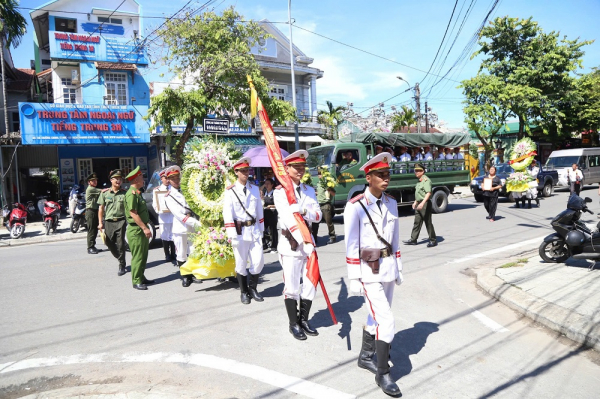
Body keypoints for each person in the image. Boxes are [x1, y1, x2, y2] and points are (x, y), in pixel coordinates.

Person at [343, 152, 403, 397]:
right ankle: (383, 372)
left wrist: (399, 269)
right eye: (381, 175)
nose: (386, 178)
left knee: (376, 317)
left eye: (387, 174)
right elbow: (351, 244)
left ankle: (365, 356)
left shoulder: (391, 202)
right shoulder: (356, 206)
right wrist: (354, 278)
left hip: (387, 268)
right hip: (368, 272)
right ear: (369, 177)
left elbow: (396, 240)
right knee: (386, 321)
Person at [274, 150, 323, 340]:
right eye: (296, 167)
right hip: (292, 244)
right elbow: (287, 218)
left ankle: (304, 320)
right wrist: (303, 240)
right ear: (287, 169)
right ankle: (293, 324)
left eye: (303, 167)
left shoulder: (309, 190)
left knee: (310, 284)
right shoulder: (281, 193)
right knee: (292, 286)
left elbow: (317, 215)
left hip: (308, 244)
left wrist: (303, 209)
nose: (300, 171)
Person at [223, 157, 265, 304]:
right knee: (241, 263)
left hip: (254, 230)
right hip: (240, 231)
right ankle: (244, 291)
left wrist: (262, 230)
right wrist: (232, 235)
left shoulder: (254, 188)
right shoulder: (230, 191)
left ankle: (252, 288)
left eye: (248, 170)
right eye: (243, 171)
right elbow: (227, 214)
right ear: (236, 172)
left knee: (258, 261)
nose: (246, 173)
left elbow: (259, 211)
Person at [163, 166, 202, 288]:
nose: (176, 180)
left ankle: (193, 273)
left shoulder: (187, 190)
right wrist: (196, 223)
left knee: (193, 250)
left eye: (177, 177)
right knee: (181, 253)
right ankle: (185, 276)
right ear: (168, 180)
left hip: (191, 226)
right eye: (172, 178)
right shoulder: (169, 196)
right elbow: (179, 215)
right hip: (180, 227)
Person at [124, 166, 154, 290]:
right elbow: (133, 213)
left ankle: (141, 277)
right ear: (136, 180)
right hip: (136, 230)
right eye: (141, 177)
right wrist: (145, 228)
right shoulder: (131, 194)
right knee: (138, 256)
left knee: (143, 255)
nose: (143, 179)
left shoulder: (137, 193)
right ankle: (136, 280)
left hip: (140, 229)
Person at [98, 169, 128, 276]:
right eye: (116, 179)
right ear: (111, 180)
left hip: (121, 221)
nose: (118, 181)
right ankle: (120, 257)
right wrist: (100, 223)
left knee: (120, 244)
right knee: (108, 242)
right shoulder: (105, 193)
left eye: (120, 179)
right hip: (108, 222)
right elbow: (101, 208)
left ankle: (122, 265)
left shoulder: (125, 193)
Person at [403, 163, 437, 247]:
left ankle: (433, 240)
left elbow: (428, 193)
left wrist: (422, 203)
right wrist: (415, 202)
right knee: (417, 222)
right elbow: (419, 194)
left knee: (428, 222)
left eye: (419, 171)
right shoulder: (419, 181)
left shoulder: (426, 180)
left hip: (424, 203)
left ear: (423, 171)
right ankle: (413, 239)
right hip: (419, 203)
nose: (417, 172)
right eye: (416, 171)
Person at [153, 169, 176, 264]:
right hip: (163, 216)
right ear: (161, 179)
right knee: (164, 235)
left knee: (173, 235)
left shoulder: (173, 188)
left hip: (173, 216)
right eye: (165, 178)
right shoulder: (157, 190)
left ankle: (174, 253)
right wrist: (159, 209)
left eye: (168, 178)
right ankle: (167, 253)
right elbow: (155, 204)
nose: (167, 180)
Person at [312, 168, 336, 245]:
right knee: (315, 222)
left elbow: (333, 194)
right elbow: (319, 192)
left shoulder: (328, 183)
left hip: (326, 204)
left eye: (321, 173)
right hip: (318, 204)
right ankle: (314, 238)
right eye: (318, 174)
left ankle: (332, 237)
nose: (319, 175)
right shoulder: (319, 183)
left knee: (329, 222)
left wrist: (329, 189)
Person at [85, 173, 102, 254]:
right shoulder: (90, 189)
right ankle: (90, 247)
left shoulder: (94, 189)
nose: (95, 182)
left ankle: (93, 246)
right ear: (89, 182)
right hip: (90, 211)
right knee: (91, 230)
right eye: (93, 181)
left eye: (96, 180)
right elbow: (102, 191)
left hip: (94, 211)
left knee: (95, 230)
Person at [262, 178, 278, 253]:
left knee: (273, 230)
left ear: (272, 185)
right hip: (265, 212)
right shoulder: (264, 192)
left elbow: (278, 204)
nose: (266, 185)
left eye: (268, 183)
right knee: (263, 229)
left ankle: (274, 246)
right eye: (266, 183)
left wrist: (271, 206)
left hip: (272, 213)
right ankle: (264, 244)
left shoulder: (275, 193)